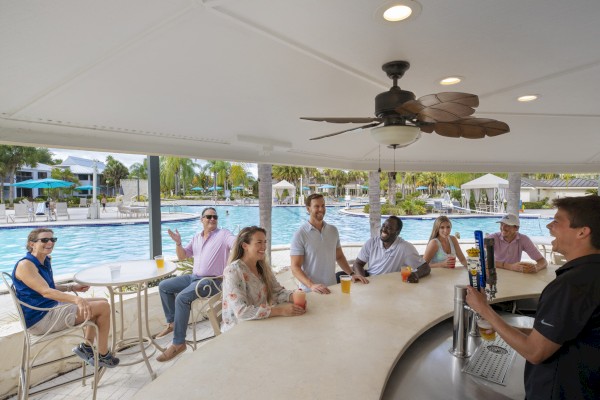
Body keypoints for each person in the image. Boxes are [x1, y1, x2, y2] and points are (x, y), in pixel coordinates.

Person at [466, 195, 600, 399]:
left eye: (556, 221)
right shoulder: (590, 274)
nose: (548, 226)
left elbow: (535, 352)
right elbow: (558, 335)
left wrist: (485, 309)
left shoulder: (571, 285)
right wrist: (502, 327)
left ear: (582, 232)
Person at [12, 228, 119, 368]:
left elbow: (48, 286)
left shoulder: (44, 260)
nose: (50, 242)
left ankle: (86, 348)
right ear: (32, 244)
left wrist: (72, 288)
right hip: (41, 319)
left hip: (50, 310)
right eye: (44, 240)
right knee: (102, 307)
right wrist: (77, 299)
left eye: (52, 239)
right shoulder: (26, 265)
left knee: (102, 302)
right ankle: (103, 356)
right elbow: (46, 292)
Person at [155, 207, 235, 362]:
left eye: (215, 217)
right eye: (209, 217)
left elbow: (236, 243)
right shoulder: (196, 237)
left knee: (182, 298)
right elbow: (183, 256)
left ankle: (178, 343)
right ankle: (172, 322)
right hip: (194, 278)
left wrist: (230, 261)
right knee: (164, 286)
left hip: (212, 281)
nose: (212, 219)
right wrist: (178, 243)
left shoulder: (223, 234)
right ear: (202, 219)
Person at [221, 226, 305, 332]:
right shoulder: (233, 271)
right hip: (237, 331)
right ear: (245, 246)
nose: (264, 246)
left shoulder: (262, 267)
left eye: (265, 242)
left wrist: (293, 297)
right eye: (259, 242)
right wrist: (280, 311)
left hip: (258, 323)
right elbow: (241, 312)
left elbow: (276, 292)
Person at [290, 193, 368, 294]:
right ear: (308, 209)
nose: (321, 209)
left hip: (332, 288)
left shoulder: (333, 230)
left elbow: (339, 256)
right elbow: (295, 267)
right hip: (311, 291)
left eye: (323, 205)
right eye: (316, 206)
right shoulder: (300, 234)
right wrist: (311, 285)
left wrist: (351, 274)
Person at [353, 216, 431, 283]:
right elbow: (358, 263)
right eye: (383, 226)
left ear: (397, 232)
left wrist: (416, 275)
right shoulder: (372, 242)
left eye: (389, 228)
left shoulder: (405, 248)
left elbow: (425, 267)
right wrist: (362, 278)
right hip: (371, 281)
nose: (384, 230)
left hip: (392, 286)